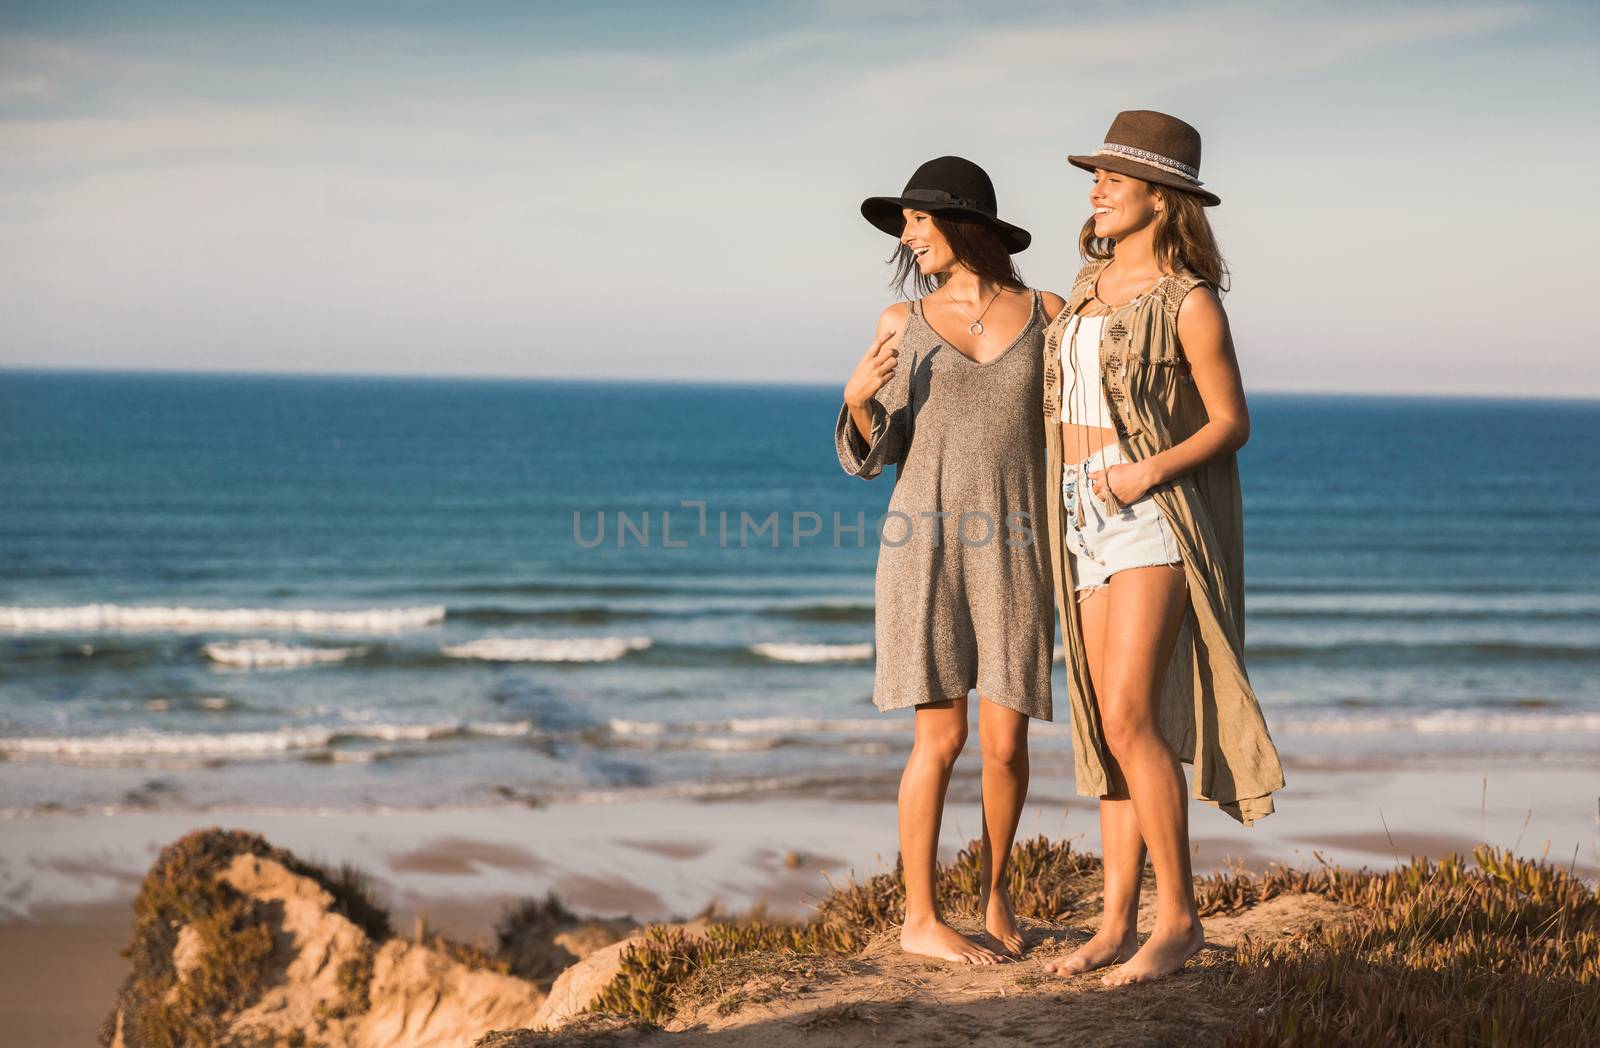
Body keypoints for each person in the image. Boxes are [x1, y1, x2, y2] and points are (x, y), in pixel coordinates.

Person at [1035, 112, 1285, 985]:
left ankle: (1176, 920)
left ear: (1158, 196)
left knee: (1134, 714)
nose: (1096, 189)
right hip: (1077, 514)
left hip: (1149, 518)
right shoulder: (1086, 285)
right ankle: (1113, 924)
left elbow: (1231, 423)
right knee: (1109, 726)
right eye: (1095, 177)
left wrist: (1144, 475)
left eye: (1112, 176)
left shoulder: (1189, 302)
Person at [836, 156, 1065, 964]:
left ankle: (997, 897)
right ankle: (921, 918)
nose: (907, 235)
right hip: (922, 546)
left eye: (918, 220)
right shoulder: (902, 323)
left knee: (1007, 742)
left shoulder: (1049, 314)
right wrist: (860, 402)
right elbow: (877, 457)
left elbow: (1070, 435)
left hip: (1016, 544)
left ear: (962, 224)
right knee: (940, 738)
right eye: (905, 223)